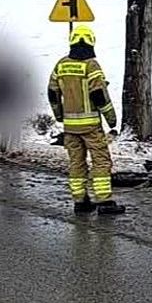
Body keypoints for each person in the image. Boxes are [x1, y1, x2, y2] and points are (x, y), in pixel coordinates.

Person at [48, 25, 125, 215]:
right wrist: (111, 119)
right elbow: (99, 94)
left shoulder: (61, 65)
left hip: (70, 127)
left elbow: (52, 92)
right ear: (91, 42)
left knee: (76, 162)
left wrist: (59, 115)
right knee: (101, 161)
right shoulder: (91, 65)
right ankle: (104, 201)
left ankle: (80, 201)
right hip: (90, 125)